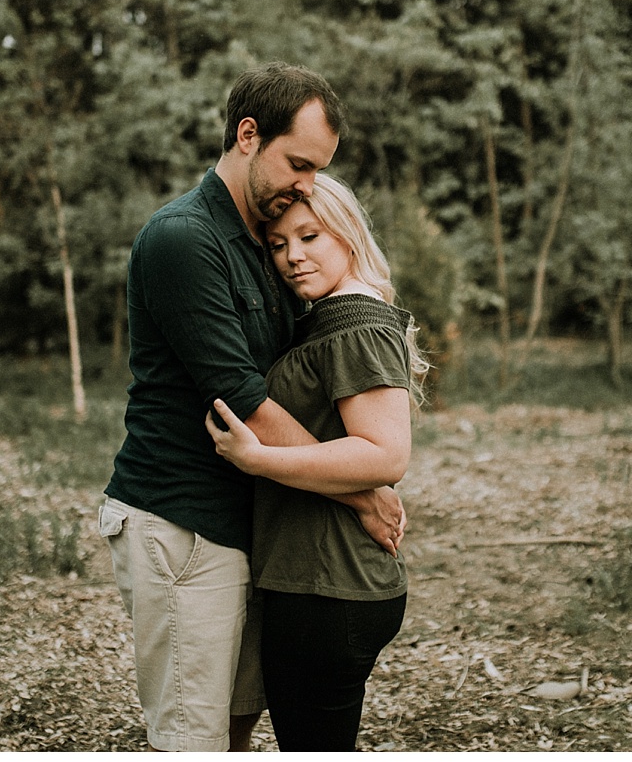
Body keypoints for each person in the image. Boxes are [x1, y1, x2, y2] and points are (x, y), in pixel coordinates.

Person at [99, 62, 407, 753]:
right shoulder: (183, 238)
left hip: (250, 525)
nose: (308, 184)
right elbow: (243, 398)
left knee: (236, 727)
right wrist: (362, 493)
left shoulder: (264, 240)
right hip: (182, 523)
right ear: (247, 134)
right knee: (192, 738)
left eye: (318, 169)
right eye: (298, 163)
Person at [207, 173, 429, 751]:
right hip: (317, 582)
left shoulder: (354, 321)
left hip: (329, 590)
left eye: (309, 236)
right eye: (278, 244)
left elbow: (386, 454)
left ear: (348, 233)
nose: (292, 257)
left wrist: (260, 459)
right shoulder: (329, 316)